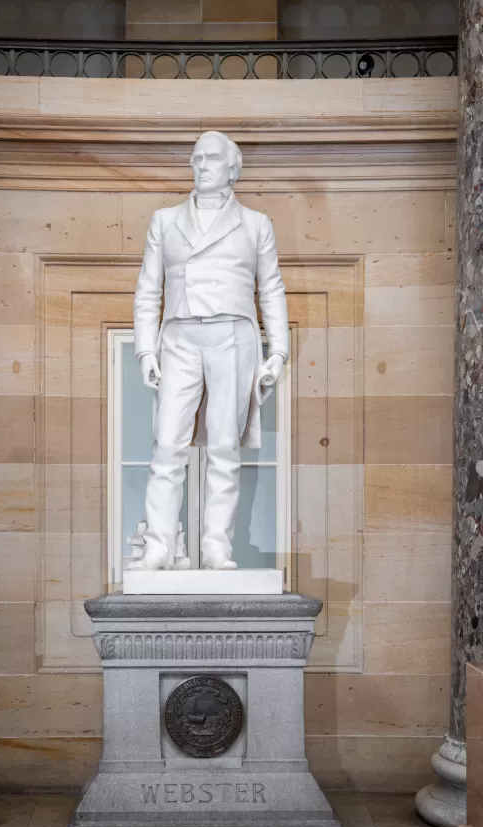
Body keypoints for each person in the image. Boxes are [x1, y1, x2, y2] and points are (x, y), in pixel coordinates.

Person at [130, 131, 288, 571]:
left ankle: (216, 546)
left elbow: (271, 289)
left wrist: (278, 352)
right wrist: (146, 351)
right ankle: (158, 545)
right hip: (180, 336)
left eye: (212, 159)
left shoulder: (256, 224)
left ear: (233, 169)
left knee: (224, 447)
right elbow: (148, 290)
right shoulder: (165, 220)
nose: (201, 166)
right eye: (196, 159)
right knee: (167, 447)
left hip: (232, 337)